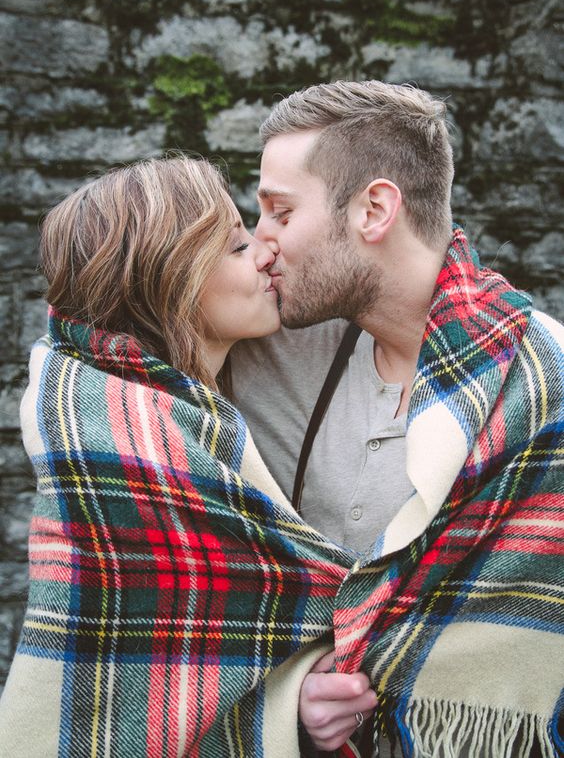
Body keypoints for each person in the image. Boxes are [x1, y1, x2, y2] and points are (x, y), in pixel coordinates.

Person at [0, 155, 378, 757]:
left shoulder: (199, 412)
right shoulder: (111, 441)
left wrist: (291, 707)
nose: (264, 253)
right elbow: (122, 690)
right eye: (234, 247)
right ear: (167, 278)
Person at [230, 81, 564, 757]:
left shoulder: (546, 381)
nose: (260, 244)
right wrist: (288, 704)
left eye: (280, 213)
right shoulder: (262, 348)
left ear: (374, 210)